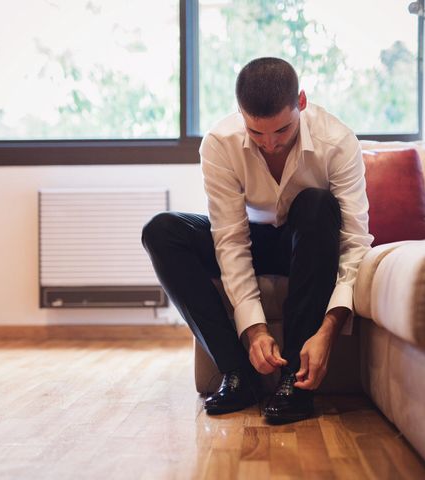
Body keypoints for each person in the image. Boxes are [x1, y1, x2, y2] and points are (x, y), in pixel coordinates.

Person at [142, 57, 372, 423]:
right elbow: (230, 241)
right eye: (256, 133)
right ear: (241, 114)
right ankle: (237, 376)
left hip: (311, 244)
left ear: (301, 102)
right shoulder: (220, 143)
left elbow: (355, 242)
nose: (270, 144)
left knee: (317, 203)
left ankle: (295, 381)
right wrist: (255, 329)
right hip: (257, 239)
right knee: (161, 231)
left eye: (281, 131)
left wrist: (329, 330)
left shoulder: (338, 141)